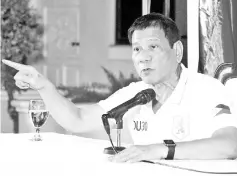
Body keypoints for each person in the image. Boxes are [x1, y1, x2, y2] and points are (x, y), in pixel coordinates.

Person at [2, 13, 237, 162]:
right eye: (136, 49)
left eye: (153, 47)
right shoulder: (134, 93)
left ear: (177, 52)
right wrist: (43, 86)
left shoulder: (206, 89)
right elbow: (78, 120)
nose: (143, 58)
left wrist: (158, 149)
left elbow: (230, 144)